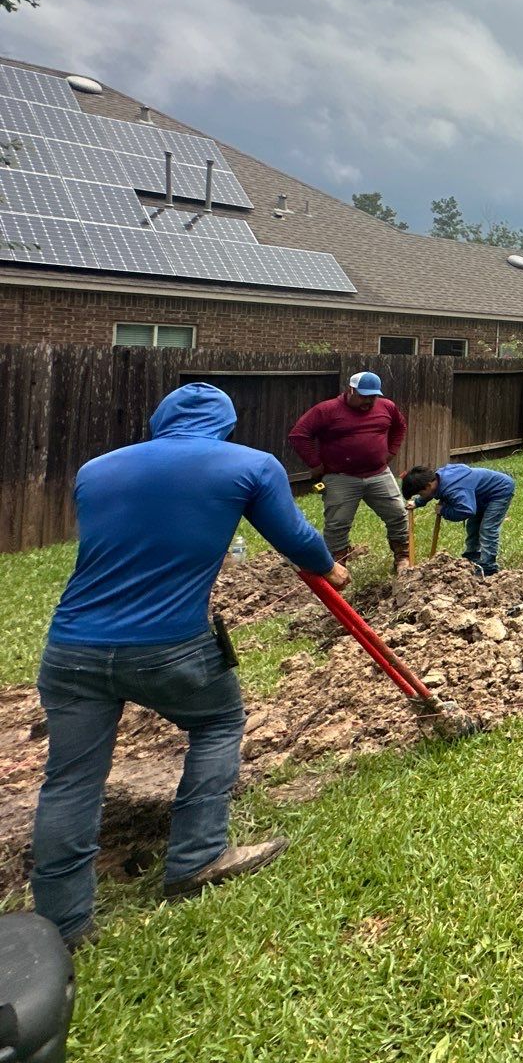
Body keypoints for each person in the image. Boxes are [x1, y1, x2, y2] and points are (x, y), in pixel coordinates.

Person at [32, 384, 349, 947]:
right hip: (168, 644)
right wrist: (329, 567)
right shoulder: (250, 465)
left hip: (71, 649)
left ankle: (61, 924)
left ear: (159, 422)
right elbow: (295, 537)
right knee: (218, 722)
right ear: (225, 426)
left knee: (71, 779)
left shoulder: (95, 470)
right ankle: (197, 855)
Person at [287, 371, 410, 571]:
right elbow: (299, 435)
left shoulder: (387, 406)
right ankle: (337, 565)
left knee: (398, 514)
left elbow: (399, 426)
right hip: (340, 477)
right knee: (337, 523)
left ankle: (402, 557)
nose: (368, 401)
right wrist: (315, 463)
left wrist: (391, 452)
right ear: (351, 390)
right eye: (364, 396)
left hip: (378, 474)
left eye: (373, 396)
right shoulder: (327, 410)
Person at [400, 463, 516, 576]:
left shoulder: (454, 489)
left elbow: (466, 510)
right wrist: (417, 502)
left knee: (487, 529)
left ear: (429, 486)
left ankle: (488, 567)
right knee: (473, 526)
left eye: (420, 494)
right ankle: (472, 557)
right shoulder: (438, 477)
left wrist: (443, 511)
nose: (421, 496)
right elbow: (430, 493)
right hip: (480, 494)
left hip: (500, 491)